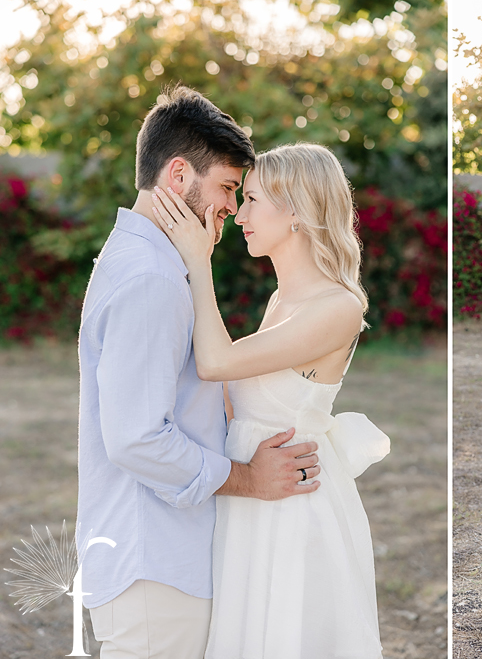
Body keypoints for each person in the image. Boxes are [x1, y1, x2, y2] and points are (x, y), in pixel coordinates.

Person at [77, 86, 323, 659]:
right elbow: (137, 438)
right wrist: (250, 478)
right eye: (228, 188)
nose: (234, 210)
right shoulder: (151, 279)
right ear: (179, 174)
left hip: (157, 559)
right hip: (154, 565)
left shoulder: (149, 262)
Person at [152, 141, 389, 658]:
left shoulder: (338, 307)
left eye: (253, 199)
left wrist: (198, 260)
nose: (239, 214)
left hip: (294, 504)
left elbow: (216, 364)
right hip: (255, 491)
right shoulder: (282, 299)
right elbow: (235, 397)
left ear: (298, 211)